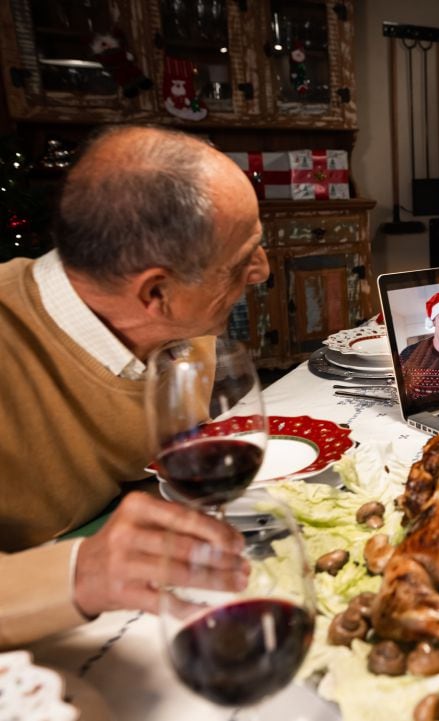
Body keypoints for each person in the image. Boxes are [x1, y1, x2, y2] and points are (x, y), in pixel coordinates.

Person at [0, 125, 262, 647]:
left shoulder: (186, 330)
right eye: (242, 260)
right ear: (157, 293)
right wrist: (79, 572)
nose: (262, 271)